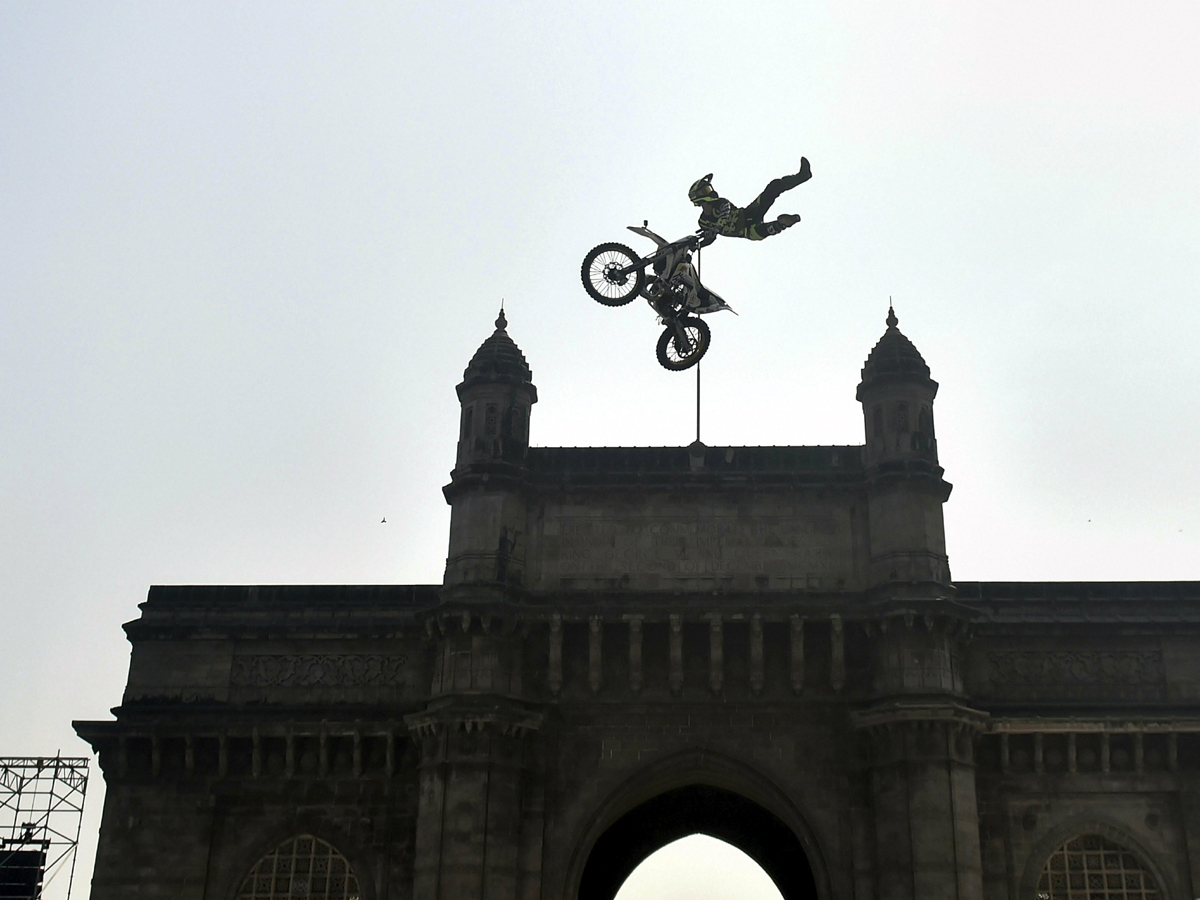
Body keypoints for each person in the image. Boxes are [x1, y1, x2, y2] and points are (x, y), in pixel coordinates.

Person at [689, 158, 811, 241]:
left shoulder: (721, 203)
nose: (711, 192)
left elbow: (725, 212)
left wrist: (717, 228)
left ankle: (802, 176)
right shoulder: (703, 222)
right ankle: (784, 223)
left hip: (749, 212)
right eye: (705, 191)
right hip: (746, 231)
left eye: (709, 189)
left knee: (774, 186)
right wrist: (697, 243)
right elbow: (710, 239)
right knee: (767, 229)